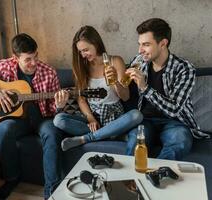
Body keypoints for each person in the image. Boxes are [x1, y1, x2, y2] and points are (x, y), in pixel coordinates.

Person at [0, 33, 68, 200]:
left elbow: (54, 112)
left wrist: (60, 106)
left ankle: (51, 190)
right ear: (15, 58)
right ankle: (12, 179)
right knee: (3, 130)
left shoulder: (49, 72)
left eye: (35, 57)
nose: (34, 63)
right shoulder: (5, 66)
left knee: (52, 132)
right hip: (19, 120)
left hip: (42, 118)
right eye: (28, 59)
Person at [125, 18, 210, 160]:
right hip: (145, 120)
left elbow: (174, 109)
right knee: (134, 143)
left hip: (175, 122)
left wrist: (145, 88)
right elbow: (124, 91)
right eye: (139, 44)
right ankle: (130, 179)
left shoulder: (184, 68)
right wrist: (118, 79)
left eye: (146, 44)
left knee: (180, 140)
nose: (140, 50)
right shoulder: (139, 61)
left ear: (163, 43)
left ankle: (157, 174)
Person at [53, 25, 143, 151]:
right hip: (93, 119)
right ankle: (109, 134)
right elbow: (81, 99)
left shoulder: (115, 61)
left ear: (95, 43)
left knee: (136, 115)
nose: (83, 55)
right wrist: (90, 118)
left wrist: (115, 81)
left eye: (85, 50)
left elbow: (126, 96)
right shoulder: (81, 67)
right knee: (59, 120)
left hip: (115, 116)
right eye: (80, 52)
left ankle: (88, 138)